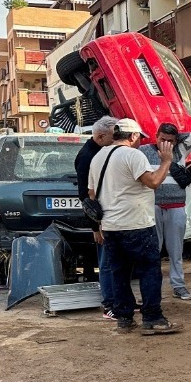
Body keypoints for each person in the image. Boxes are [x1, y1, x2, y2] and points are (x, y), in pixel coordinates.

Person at [88, 118, 182, 336]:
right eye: (139, 137)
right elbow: (154, 182)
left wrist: (99, 225)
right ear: (132, 136)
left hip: (111, 227)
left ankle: (124, 318)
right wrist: (166, 161)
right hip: (137, 224)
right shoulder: (133, 155)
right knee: (149, 270)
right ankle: (153, 318)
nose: (141, 142)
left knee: (119, 273)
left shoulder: (98, 157)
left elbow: (92, 195)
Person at [139, 123, 191, 301]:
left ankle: (178, 286)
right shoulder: (144, 151)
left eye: (170, 140)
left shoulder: (180, 150)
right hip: (152, 206)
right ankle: (152, 290)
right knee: (152, 251)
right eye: (162, 139)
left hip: (176, 206)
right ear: (156, 137)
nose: (165, 144)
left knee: (176, 251)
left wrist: (175, 142)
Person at [75, 116, 119, 316]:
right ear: (101, 136)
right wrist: (95, 226)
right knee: (106, 262)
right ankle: (110, 303)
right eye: (113, 135)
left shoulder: (101, 150)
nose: (116, 139)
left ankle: (118, 299)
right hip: (100, 218)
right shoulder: (87, 156)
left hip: (110, 215)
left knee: (113, 260)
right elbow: (86, 196)